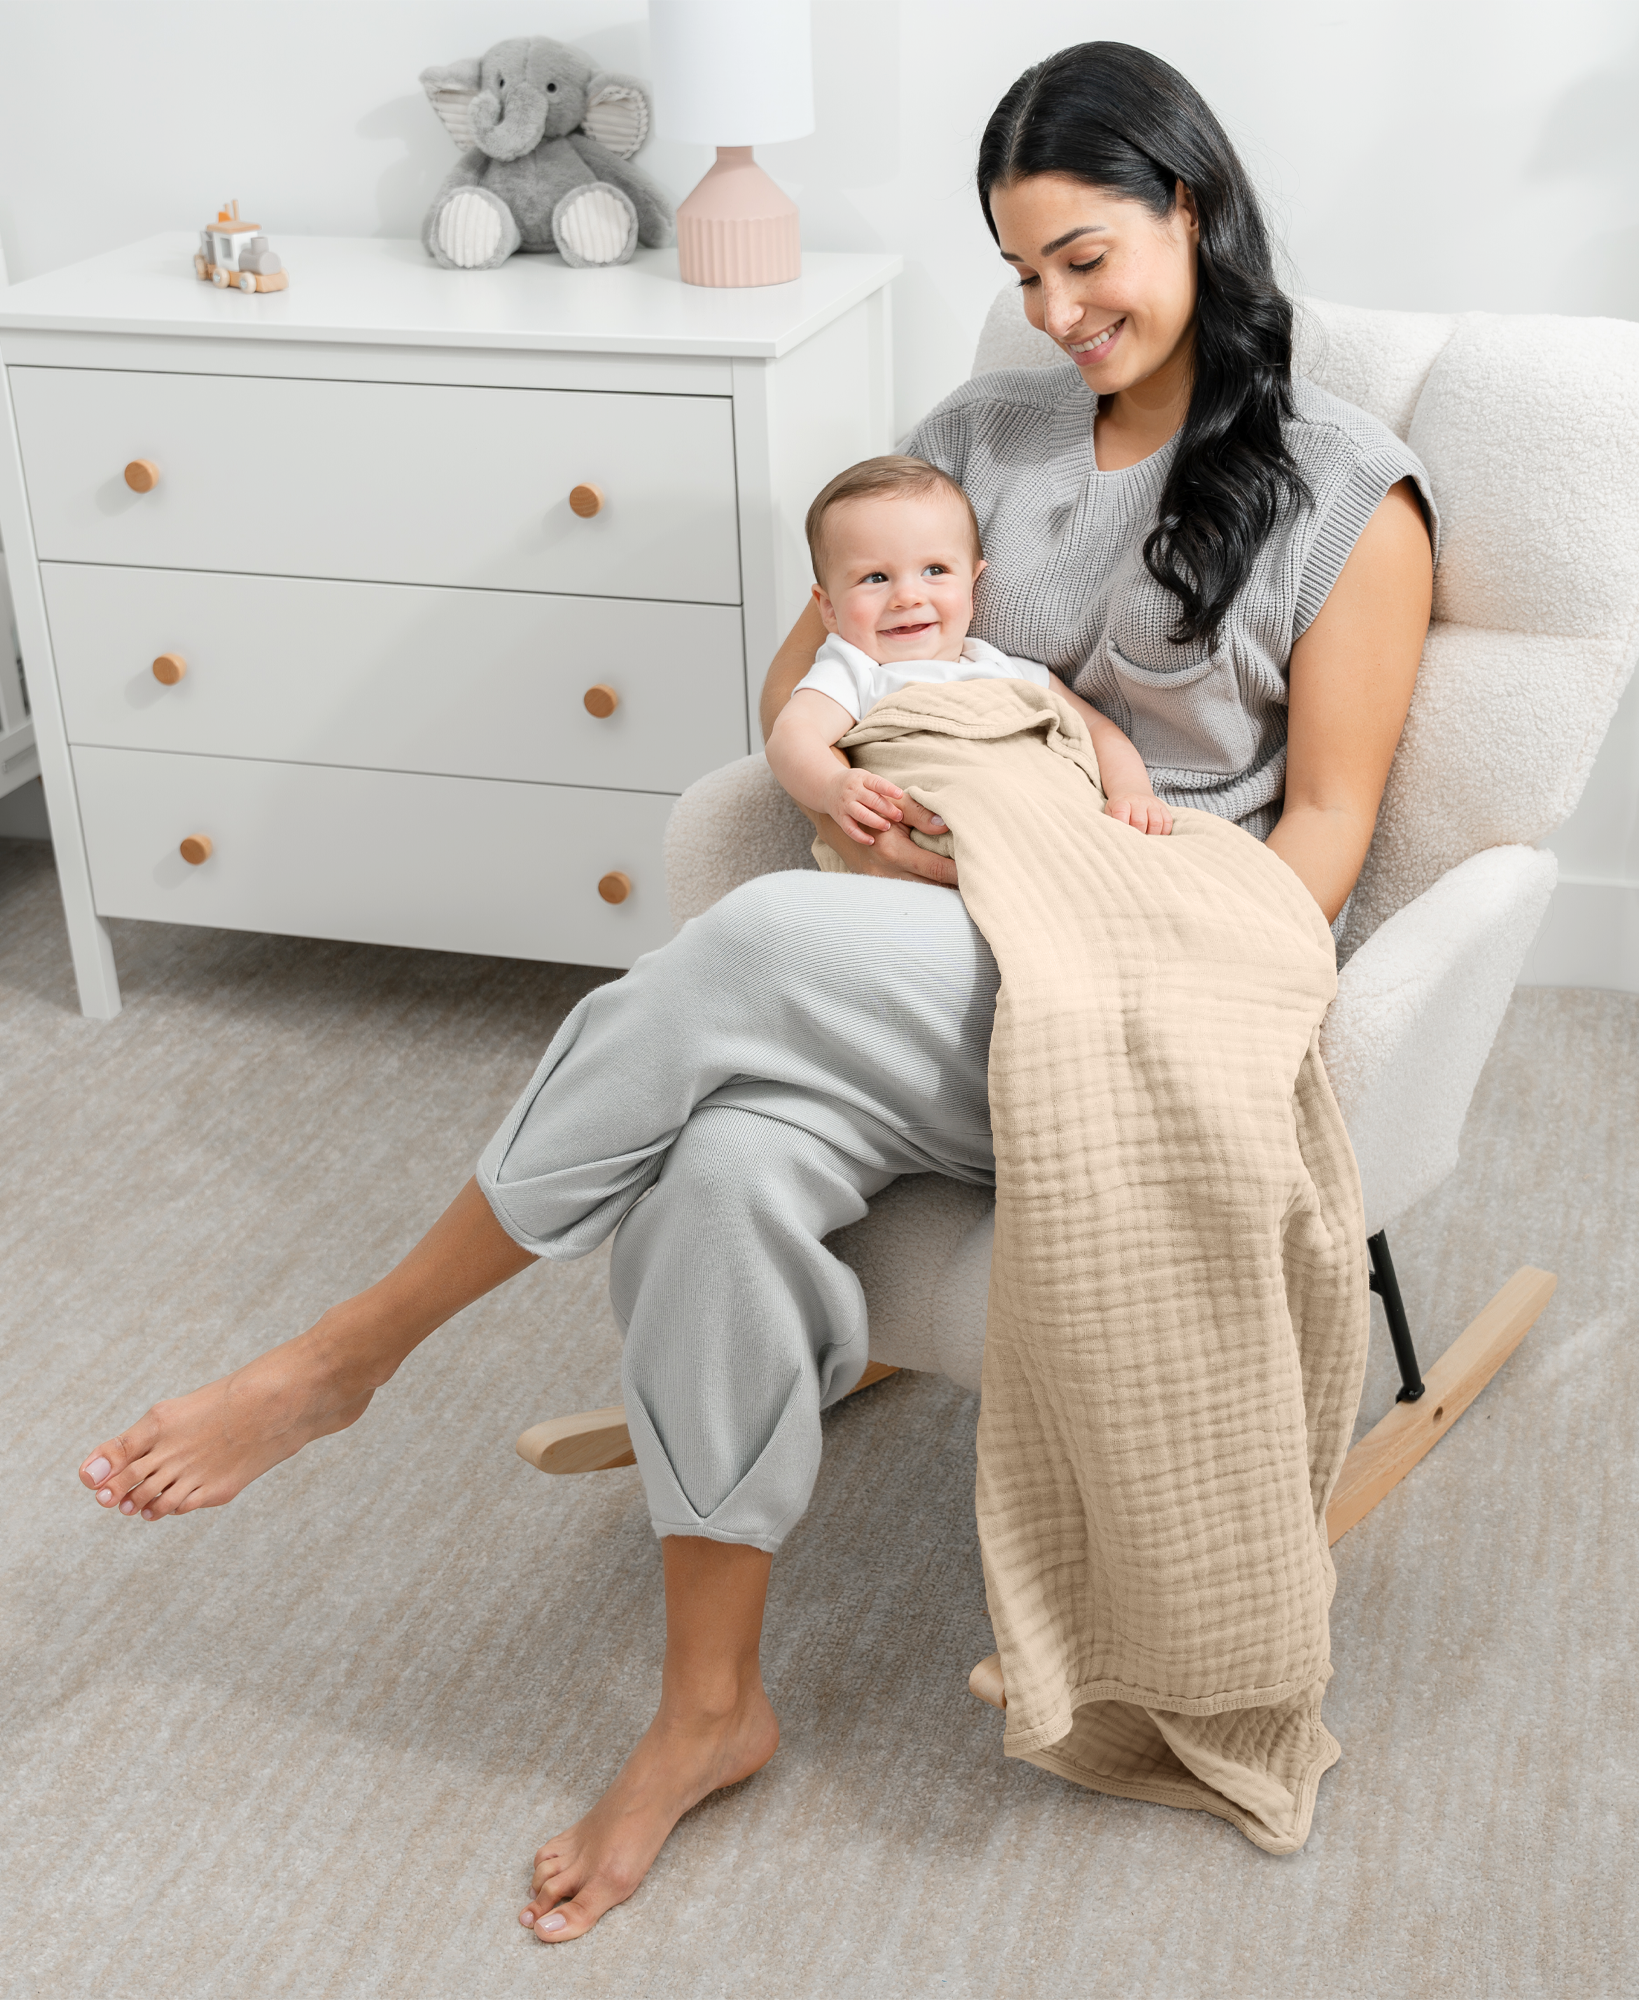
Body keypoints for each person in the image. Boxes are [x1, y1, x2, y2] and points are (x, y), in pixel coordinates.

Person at [73, 41, 1435, 1942]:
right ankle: (708, 1708)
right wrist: (859, 809)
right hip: (920, 927)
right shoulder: (981, 434)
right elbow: (808, 683)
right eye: (1023, 272)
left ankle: (351, 1352)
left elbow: (1330, 835)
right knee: (716, 1176)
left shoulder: (1347, 492)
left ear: (1190, 209)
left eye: (1087, 259)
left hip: (1149, 961)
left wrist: (1129, 973)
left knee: (750, 947)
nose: (1057, 313)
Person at [764, 452, 1173, 852]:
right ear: (828, 608)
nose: (907, 596)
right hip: (948, 840)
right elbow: (792, 737)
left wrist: (1132, 792)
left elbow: (1097, 730)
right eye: (875, 577)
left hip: (1051, 826)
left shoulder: (1005, 668)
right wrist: (832, 786)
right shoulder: (855, 671)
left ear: (972, 583)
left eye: (935, 570)